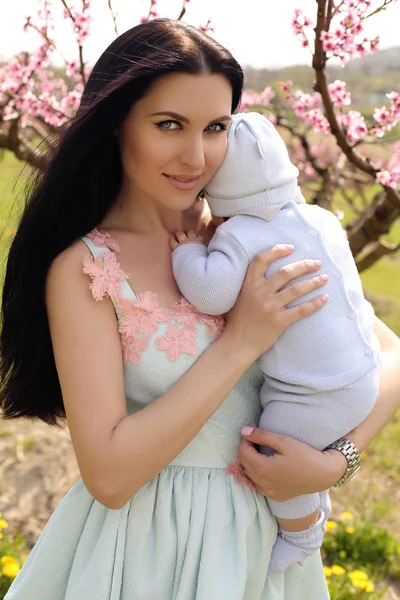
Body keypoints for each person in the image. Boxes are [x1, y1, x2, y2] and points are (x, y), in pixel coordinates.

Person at [0, 18, 399, 600]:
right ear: (115, 128)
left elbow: (387, 353)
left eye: (216, 127)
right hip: (150, 549)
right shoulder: (86, 268)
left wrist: (335, 464)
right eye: (169, 125)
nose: (196, 155)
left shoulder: (251, 236)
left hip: (264, 552)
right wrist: (243, 340)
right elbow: (109, 476)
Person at [170, 111, 380, 574]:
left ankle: (303, 534)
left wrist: (189, 250)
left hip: (313, 392)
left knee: (272, 456)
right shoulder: (320, 218)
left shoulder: (241, 234)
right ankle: (313, 500)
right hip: (363, 370)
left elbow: (210, 293)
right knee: (301, 449)